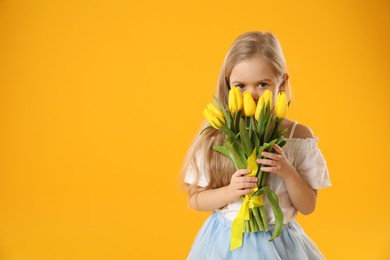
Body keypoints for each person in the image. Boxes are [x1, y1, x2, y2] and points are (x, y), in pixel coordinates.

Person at [180, 31, 332, 259]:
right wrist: (230, 192)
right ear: (228, 85)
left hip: (280, 242)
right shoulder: (217, 135)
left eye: (262, 84)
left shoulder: (298, 136)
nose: (251, 94)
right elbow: (195, 200)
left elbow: (309, 206)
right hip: (227, 243)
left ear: (282, 83)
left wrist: (288, 172)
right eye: (240, 86)